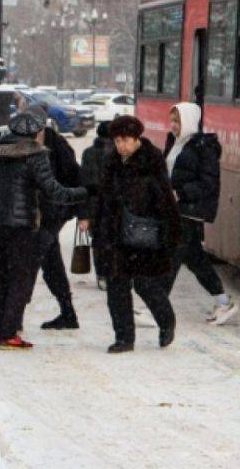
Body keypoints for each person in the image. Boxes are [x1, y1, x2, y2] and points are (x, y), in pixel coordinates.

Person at [0, 112, 90, 350]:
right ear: (37, 132)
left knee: (0, 275)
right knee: (21, 277)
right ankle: (8, 333)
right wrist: (85, 192)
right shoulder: (35, 155)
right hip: (21, 226)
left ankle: (2, 324)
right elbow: (54, 191)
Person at [95, 115, 180, 353]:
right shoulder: (111, 162)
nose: (121, 145)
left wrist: (170, 234)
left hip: (145, 235)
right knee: (116, 287)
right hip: (115, 235)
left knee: (146, 285)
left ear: (136, 139)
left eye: (125, 140)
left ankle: (166, 321)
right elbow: (102, 198)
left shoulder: (151, 161)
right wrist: (99, 228)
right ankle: (124, 337)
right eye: (117, 141)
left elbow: (165, 199)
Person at [162, 102, 237, 325]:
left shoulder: (204, 147)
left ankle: (156, 305)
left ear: (189, 121)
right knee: (194, 258)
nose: (173, 125)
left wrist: (181, 194)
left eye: (177, 121)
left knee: (172, 257)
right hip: (176, 210)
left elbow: (209, 183)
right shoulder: (175, 142)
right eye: (172, 121)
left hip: (189, 211)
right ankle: (223, 302)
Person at [25, 103, 86, 330]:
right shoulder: (22, 141)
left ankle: (15, 313)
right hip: (33, 213)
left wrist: (83, 213)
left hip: (54, 212)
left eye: (37, 127)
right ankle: (68, 313)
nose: (34, 132)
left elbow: (76, 178)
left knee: (32, 258)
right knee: (50, 263)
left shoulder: (58, 145)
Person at [79, 121, 114, 290]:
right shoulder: (119, 152)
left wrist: (83, 214)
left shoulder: (88, 153)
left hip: (94, 206)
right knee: (116, 242)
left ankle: (102, 275)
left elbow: (84, 184)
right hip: (115, 206)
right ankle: (116, 274)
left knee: (99, 243)